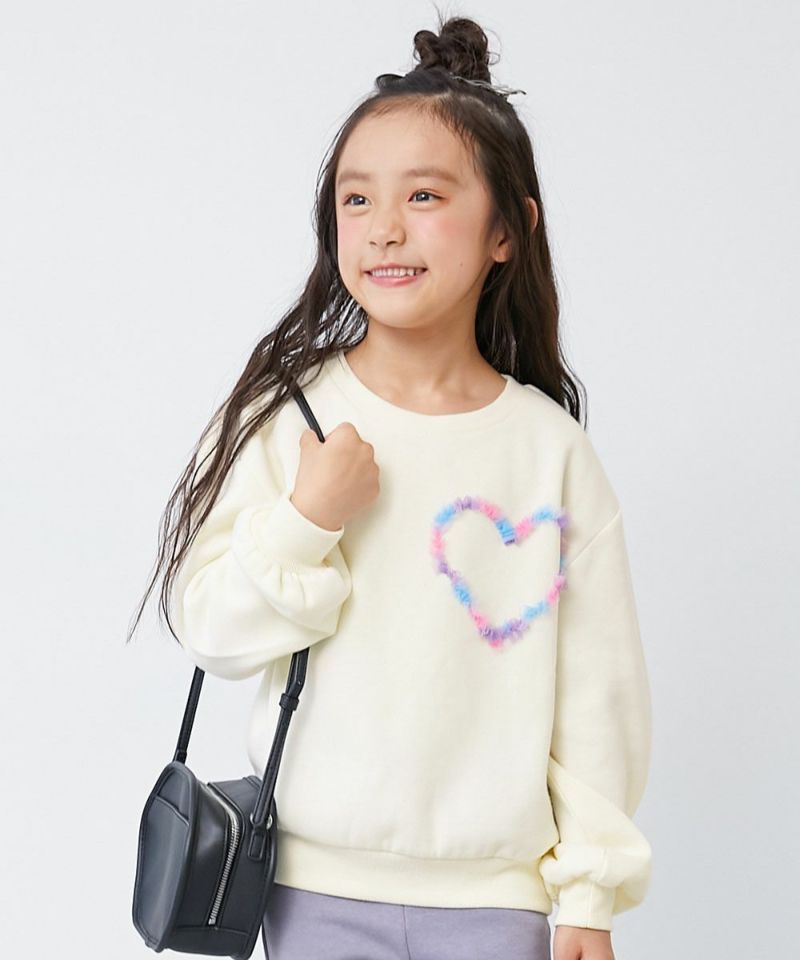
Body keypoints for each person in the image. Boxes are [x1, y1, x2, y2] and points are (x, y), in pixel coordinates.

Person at [128, 13, 652, 960]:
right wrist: (306, 520)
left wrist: (589, 895)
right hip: (312, 892)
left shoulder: (550, 451)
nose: (384, 228)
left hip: (498, 905)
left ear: (508, 230)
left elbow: (597, 693)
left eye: (425, 195)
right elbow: (210, 630)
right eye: (358, 199)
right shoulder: (289, 415)